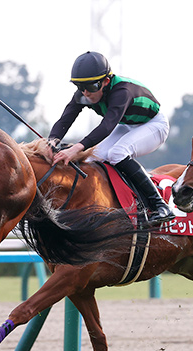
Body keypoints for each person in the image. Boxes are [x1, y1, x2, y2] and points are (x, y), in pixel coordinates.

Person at [47, 51, 174, 226]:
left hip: (154, 125)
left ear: (106, 81)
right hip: (127, 124)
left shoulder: (122, 92)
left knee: (117, 153)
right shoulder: (84, 93)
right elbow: (65, 119)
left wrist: (76, 148)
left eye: (91, 86)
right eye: (80, 86)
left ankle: (159, 205)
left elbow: (107, 126)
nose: (86, 93)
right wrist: (51, 141)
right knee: (92, 158)